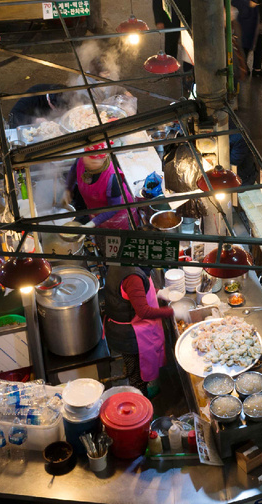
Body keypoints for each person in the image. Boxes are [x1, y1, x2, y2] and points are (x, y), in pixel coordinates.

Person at [103, 259, 172, 396]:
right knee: (136, 374)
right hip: (130, 336)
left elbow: (136, 293)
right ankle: (142, 406)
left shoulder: (121, 261)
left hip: (125, 330)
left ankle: (144, 392)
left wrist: (157, 292)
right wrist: (171, 311)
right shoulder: (132, 276)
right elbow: (144, 311)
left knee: (137, 369)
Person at [65, 144, 139, 230]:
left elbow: (114, 208)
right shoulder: (81, 160)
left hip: (116, 217)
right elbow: (73, 172)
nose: (88, 164)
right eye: (86, 159)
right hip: (95, 210)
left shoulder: (112, 178)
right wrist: (68, 189)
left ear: (104, 159)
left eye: (94, 162)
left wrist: (91, 224)